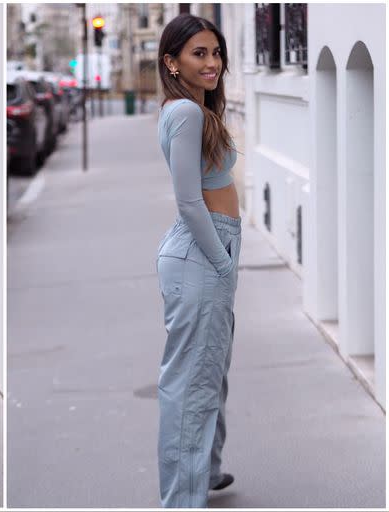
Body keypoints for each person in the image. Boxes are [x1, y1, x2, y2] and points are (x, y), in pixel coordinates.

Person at [155, 13, 243, 508]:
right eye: (198, 54)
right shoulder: (187, 114)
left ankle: (204, 470)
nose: (211, 63)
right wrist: (224, 264)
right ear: (173, 62)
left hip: (204, 249)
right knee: (191, 383)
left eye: (215, 52)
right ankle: (181, 498)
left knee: (210, 372)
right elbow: (189, 201)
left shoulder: (191, 111)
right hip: (202, 252)